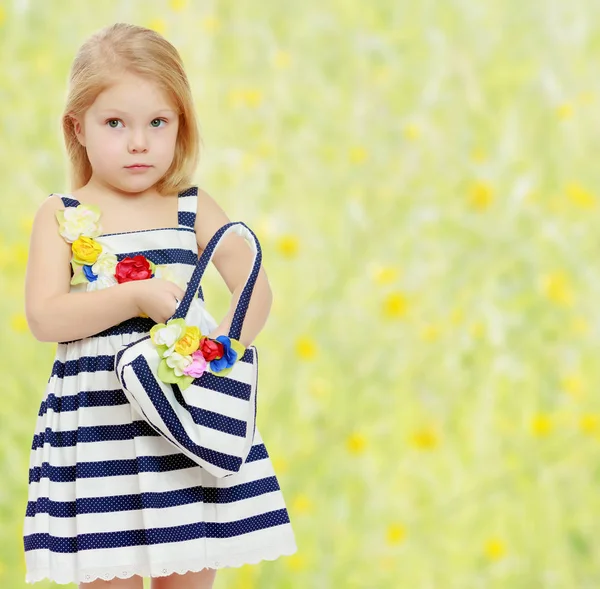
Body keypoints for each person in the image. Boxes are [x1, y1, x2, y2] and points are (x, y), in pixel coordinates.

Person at [22, 22, 297, 589]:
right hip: (100, 424)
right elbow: (45, 316)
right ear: (78, 126)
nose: (139, 142)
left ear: (181, 125)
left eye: (158, 123)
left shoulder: (191, 207)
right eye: (116, 123)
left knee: (189, 568)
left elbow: (255, 285)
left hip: (181, 419)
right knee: (110, 571)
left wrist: (219, 352)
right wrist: (134, 296)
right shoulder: (61, 214)